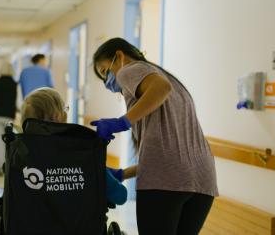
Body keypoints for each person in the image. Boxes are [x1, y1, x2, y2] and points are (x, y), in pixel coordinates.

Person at [91, 37, 218, 235]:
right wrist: (123, 174)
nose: (108, 81)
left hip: (167, 182)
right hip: (203, 179)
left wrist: (121, 122)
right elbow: (174, 154)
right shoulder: (173, 81)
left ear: (119, 55)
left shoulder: (129, 69)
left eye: (105, 71)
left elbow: (161, 88)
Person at [21, 88, 127, 206]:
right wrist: (102, 171)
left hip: (32, 223)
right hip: (80, 223)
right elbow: (121, 196)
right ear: (58, 116)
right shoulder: (82, 151)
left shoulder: (19, 153)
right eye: (65, 109)